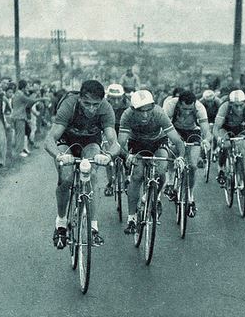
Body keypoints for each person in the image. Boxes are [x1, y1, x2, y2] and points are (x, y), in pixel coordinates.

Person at [44, 80, 120, 248]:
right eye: (87, 104)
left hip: (91, 141)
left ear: (101, 101)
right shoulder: (69, 105)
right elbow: (50, 139)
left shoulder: (106, 108)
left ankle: (93, 228)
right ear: (79, 99)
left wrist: (108, 155)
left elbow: (113, 141)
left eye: (95, 104)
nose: (91, 109)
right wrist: (59, 156)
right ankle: (61, 223)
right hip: (67, 139)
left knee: (92, 175)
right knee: (67, 178)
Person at [117, 89, 186, 235]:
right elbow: (120, 143)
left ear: (153, 106)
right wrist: (126, 156)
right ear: (133, 109)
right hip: (137, 143)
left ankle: (155, 196)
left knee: (161, 171)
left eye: (149, 109)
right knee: (137, 175)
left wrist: (180, 157)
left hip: (158, 141)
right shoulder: (127, 115)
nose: (146, 114)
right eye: (141, 111)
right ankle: (132, 218)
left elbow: (176, 140)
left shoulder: (159, 113)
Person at [162, 90, 210, 217]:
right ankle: (170, 182)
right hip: (174, 130)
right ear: (179, 104)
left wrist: (205, 140)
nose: (187, 111)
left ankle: (190, 196)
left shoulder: (200, 107)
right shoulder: (170, 105)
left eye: (190, 109)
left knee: (193, 166)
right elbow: (164, 125)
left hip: (192, 132)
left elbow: (205, 128)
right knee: (173, 152)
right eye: (184, 108)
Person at [213, 89, 245, 186]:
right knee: (226, 145)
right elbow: (216, 128)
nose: (238, 108)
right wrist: (218, 138)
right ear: (230, 104)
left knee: (241, 153)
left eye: (240, 105)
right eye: (236, 106)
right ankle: (221, 168)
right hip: (224, 128)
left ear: (244, 103)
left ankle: (242, 180)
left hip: (239, 129)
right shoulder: (224, 107)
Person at [103, 83, 129, 196]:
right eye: (113, 99)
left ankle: (128, 176)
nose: (116, 102)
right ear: (108, 97)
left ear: (123, 97)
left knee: (127, 150)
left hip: (124, 128)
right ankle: (110, 183)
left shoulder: (128, 104)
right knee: (108, 155)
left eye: (119, 98)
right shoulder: (103, 104)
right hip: (109, 128)